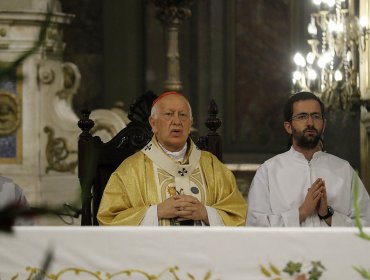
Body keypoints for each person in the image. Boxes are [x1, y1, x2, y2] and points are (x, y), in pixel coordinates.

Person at [97, 91, 247, 226]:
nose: (177, 121)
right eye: (169, 114)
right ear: (153, 123)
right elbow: (109, 219)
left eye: (183, 115)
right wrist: (156, 212)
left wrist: (206, 214)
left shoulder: (212, 166)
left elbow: (239, 216)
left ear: (190, 124)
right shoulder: (131, 169)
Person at [246, 91, 370, 227]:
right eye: (302, 116)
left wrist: (328, 214)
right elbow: (255, 226)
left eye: (316, 116)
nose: (310, 123)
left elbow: (366, 225)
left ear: (324, 124)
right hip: (286, 248)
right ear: (288, 127)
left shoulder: (343, 170)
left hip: (333, 248)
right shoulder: (268, 172)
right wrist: (302, 212)